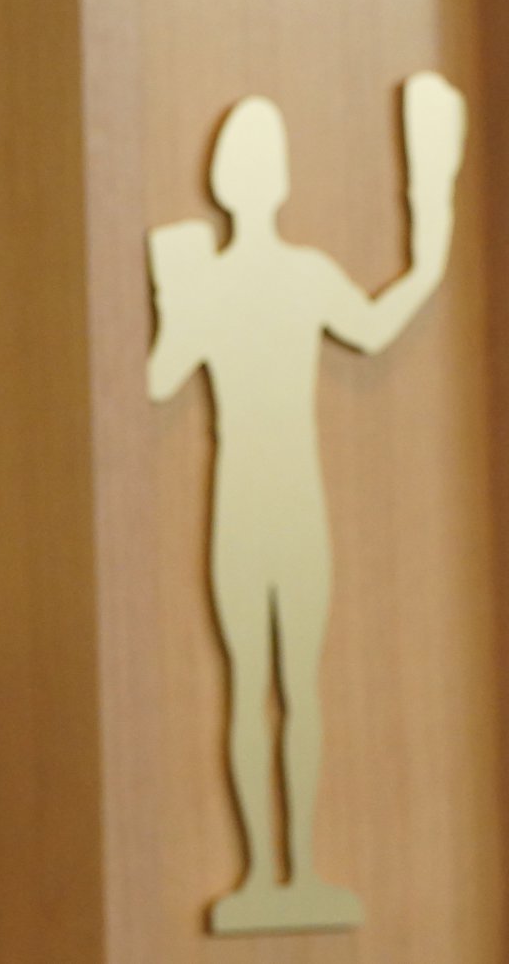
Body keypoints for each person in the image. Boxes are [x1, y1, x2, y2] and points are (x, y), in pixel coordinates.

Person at [147, 72, 464, 933]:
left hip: (274, 503)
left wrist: (433, 221)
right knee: (275, 688)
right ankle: (268, 873)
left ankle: (284, 872)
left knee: (278, 687)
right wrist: (429, 227)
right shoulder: (244, 277)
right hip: (262, 502)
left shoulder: (272, 276)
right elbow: (162, 375)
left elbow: (374, 324)